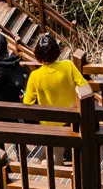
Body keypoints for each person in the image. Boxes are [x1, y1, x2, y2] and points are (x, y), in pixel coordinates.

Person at [24, 33, 87, 163]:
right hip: (72, 118)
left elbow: (27, 103)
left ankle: (59, 168)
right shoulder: (68, 66)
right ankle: (73, 159)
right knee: (74, 146)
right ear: (57, 51)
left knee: (55, 154)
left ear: (38, 55)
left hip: (50, 123)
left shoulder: (35, 76)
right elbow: (84, 86)